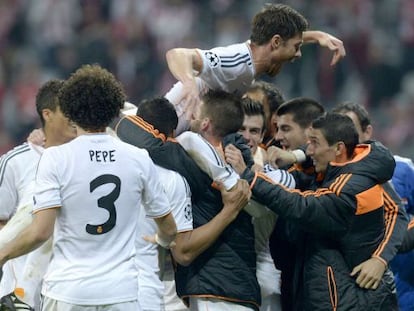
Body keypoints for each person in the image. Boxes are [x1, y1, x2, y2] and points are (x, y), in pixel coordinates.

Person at [0, 64, 178, 310]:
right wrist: (163, 239)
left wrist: (3, 253)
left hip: (68, 291)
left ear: (71, 110)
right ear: (113, 109)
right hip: (121, 293)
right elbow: (169, 228)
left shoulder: (56, 158)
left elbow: (41, 232)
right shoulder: (138, 158)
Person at [231, 112, 405, 310]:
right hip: (331, 290)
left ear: (338, 148)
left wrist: (250, 176)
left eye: (314, 143)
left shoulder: (349, 188)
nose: (310, 150)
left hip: (350, 298)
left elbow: (300, 205)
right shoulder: (349, 166)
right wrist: (297, 155)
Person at [116, 89, 259, 311]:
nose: (190, 119)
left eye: (195, 115)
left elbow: (130, 128)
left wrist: (228, 212)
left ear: (205, 123)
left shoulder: (188, 150)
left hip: (217, 289)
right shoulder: (241, 164)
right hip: (236, 285)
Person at [164, 3, 345, 134]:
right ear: (275, 42)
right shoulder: (236, 62)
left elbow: (285, 38)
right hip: (166, 128)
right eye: (296, 47)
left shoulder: (254, 53)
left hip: (187, 131)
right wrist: (189, 84)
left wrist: (317, 35)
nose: (298, 54)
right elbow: (177, 54)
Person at [0, 79, 76, 310]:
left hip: (68, 289)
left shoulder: (85, 159)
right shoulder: (15, 161)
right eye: (68, 111)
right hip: (18, 294)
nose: (75, 117)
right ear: (48, 114)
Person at [332, 101, 414, 311]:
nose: (344, 139)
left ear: (367, 131)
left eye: (350, 129)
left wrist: (391, 246)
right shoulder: (323, 180)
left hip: (403, 292)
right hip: (347, 293)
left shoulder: (403, 170)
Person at [244, 81, 285, 149]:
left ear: (275, 117)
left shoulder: (284, 149)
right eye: (246, 106)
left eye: (258, 109)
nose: (248, 114)